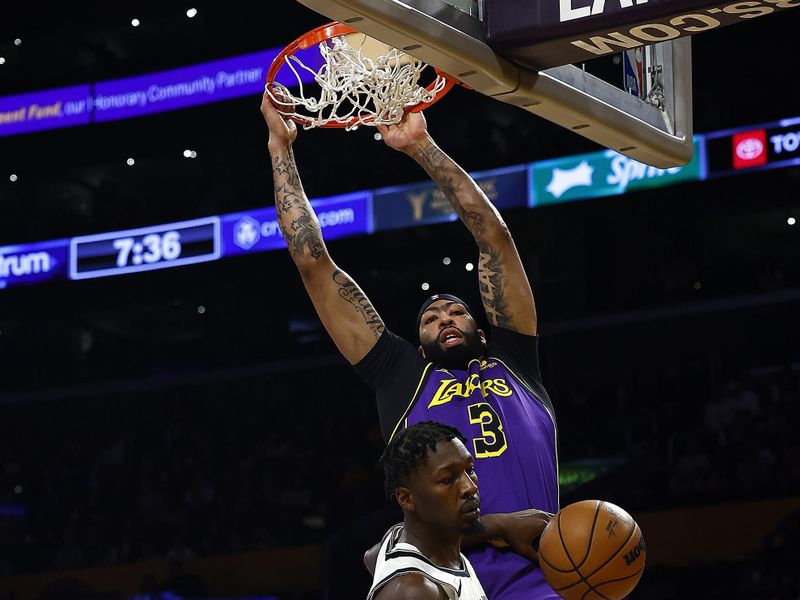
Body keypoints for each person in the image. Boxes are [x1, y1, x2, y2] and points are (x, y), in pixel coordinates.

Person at [261, 90, 558, 600]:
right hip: (443, 579)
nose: (444, 317)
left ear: (482, 331)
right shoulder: (403, 375)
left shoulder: (515, 361)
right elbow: (314, 264)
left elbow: (494, 239)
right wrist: (280, 147)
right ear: (419, 346)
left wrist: (421, 145)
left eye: (457, 311)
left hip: (539, 574)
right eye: (430, 318)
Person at [368, 421, 488, 600]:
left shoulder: (397, 540)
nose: (469, 487)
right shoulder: (414, 591)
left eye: (469, 470)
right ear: (407, 499)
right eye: (448, 479)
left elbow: (370, 557)